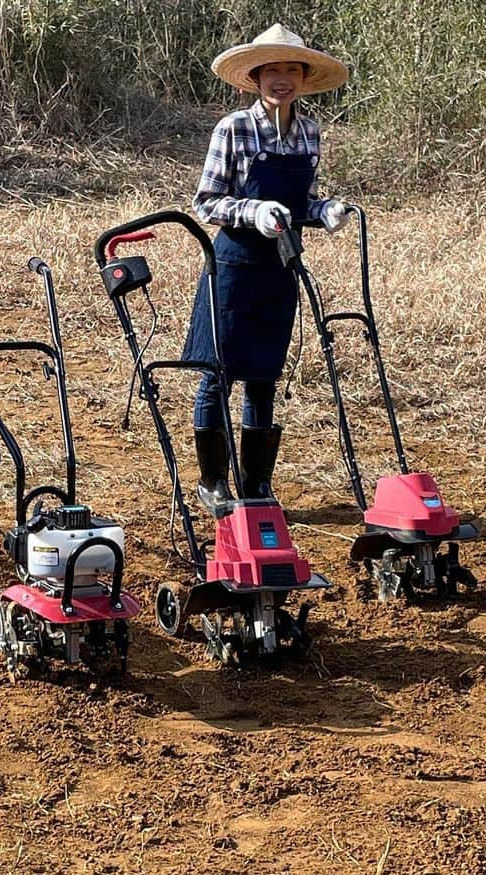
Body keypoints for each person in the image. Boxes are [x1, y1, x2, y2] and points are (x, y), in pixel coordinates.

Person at [182, 24, 351, 511]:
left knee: (264, 375)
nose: (282, 79)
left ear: (303, 76)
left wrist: (323, 212)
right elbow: (207, 202)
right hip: (234, 265)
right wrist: (252, 212)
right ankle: (213, 481)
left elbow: (303, 202)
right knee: (218, 372)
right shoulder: (233, 129)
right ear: (253, 78)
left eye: (291, 69)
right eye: (272, 70)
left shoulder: (309, 132)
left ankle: (256, 484)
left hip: (280, 268)